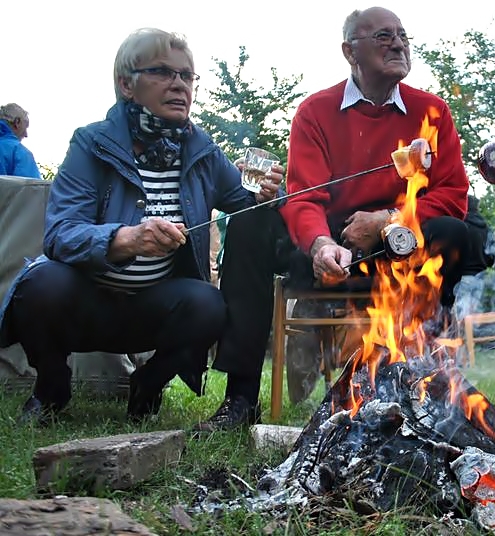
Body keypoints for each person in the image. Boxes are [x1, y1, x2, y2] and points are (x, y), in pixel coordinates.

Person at [0, 28, 284, 425]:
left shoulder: (201, 150)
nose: (179, 85)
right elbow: (60, 233)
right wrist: (127, 238)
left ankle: (150, 381)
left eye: (187, 76)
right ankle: (51, 386)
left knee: (207, 303)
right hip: (87, 301)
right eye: (163, 72)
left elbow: (248, 204)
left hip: (155, 307)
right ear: (126, 84)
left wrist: (270, 191)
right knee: (40, 284)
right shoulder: (92, 144)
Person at [203, 5, 470, 423]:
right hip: (326, 245)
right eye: (383, 36)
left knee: (453, 232)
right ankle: (241, 398)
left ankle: (428, 386)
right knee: (249, 222)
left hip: (397, 248)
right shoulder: (315, 111)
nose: (398, 44)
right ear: (350, 51)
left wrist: (386, 221)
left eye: (402, 35)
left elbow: (453, 195)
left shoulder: (432, 111)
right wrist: (321, 245)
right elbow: (304, 196)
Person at [0, 103, 40, 178]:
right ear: (17, 122)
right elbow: (31, 184)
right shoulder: (19, 152)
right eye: (26, 127)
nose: (26, 135)